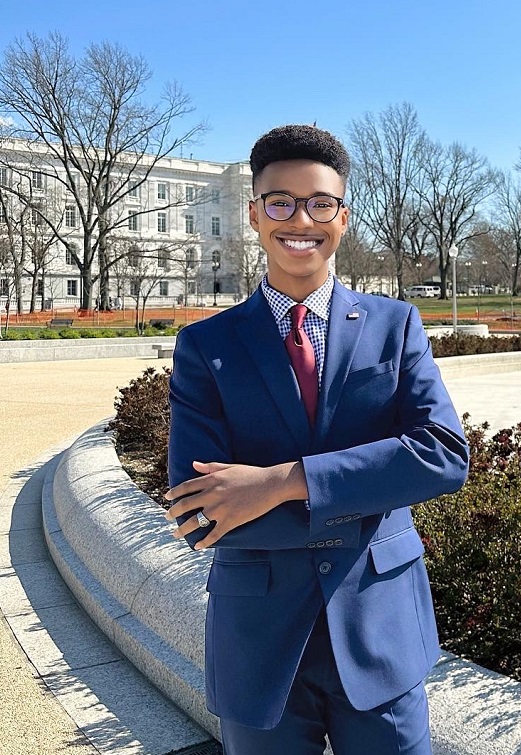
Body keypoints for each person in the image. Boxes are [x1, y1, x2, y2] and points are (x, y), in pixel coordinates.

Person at [164, 124, 469, 755]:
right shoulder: (207, 347)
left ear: (344, 216)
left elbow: (441, 457)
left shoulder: (395, 325)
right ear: (254, 214)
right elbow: (197, 511)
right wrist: (365, 493)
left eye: (319, 203)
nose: (300, 219)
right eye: (281, 202)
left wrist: (277, 483)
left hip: (379, 626)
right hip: (261, 641)